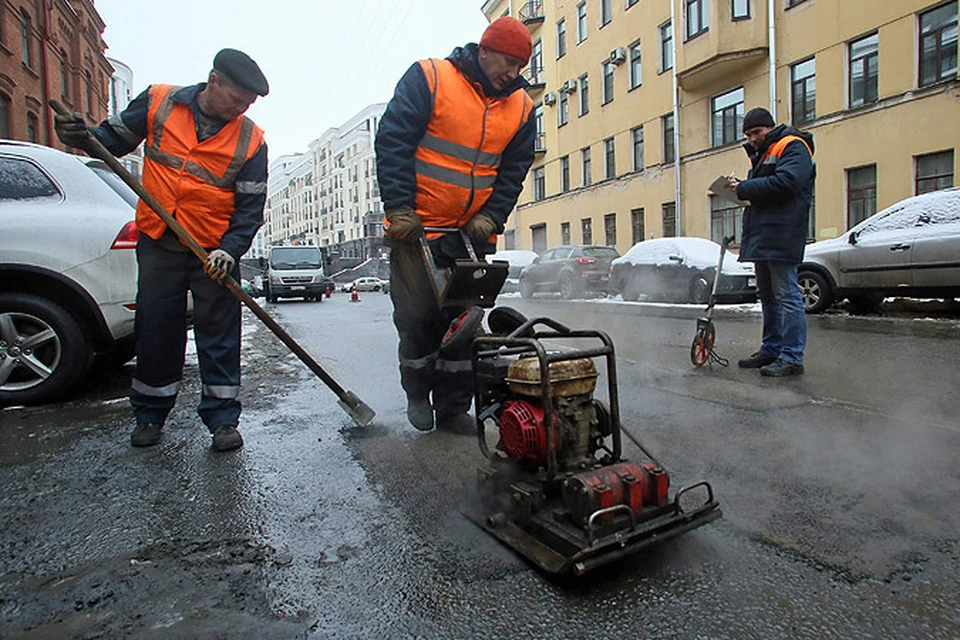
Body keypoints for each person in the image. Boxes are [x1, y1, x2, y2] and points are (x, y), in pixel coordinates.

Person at [54, 48, 269, 451]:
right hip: (159, 243)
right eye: (236, 99)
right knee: (156, 330)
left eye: (248, 104)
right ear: (214, 81)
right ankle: (150, 415)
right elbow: (109, 142)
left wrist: (231, 250)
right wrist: (82, 136)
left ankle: (222, 420)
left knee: (220, 335)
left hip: (212, 252)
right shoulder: (159, 102)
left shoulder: (251, 139)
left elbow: (250, 207)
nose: (241, 109)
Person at [375, 17, 536, 434]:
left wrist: (491, 217)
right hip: (417, 230)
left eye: (521, 66)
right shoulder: (430, 78)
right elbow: (393, 141)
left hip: (469, 234)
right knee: (418, 319)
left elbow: (514, 171)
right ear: (483, 51)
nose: (513, 73)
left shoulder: (520, 107)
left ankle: (452, 406)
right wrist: (399, 209)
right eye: (508, 62)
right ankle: (416, 392)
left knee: (464, 324)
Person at [725, 107, 815, 377]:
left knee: (787, 296)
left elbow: (787, 182)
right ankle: (770, 350)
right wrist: (742, 189)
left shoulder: (793, 145)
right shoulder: (764, 153)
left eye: (756, 132)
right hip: (765, 235)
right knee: (768, 297)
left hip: (782, 234)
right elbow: (765, 190)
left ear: (769, 128)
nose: (752, 138)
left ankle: (791, 357)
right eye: (748, 134)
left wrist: (744, 188)